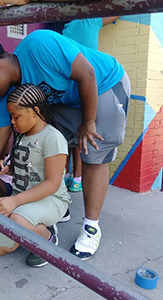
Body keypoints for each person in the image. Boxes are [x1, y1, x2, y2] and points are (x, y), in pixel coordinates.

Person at [0, 29, 130, 260]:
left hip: (102, 84)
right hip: (67, 101)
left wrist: (89, 122)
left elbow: (87, 74)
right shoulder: (7, 98)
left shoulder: (39, 45)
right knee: (45, 143)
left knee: (92, 151)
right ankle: (56, 206)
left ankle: (91, 227)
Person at [0, 83, 70, 267]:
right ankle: (31, 225)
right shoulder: (21, 136)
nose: (12, 122)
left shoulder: (52, 138)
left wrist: (14, 202)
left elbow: (52, 184)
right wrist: (6, 168)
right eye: (11, 116)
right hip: (25, 199)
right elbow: (24, 166)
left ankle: (47, 239)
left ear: (34, 111)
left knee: (17, 219)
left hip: (51, 199)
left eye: (16, 116)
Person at [61, 16, 120, 195]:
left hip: (80, 85)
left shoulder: (83, 22)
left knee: (73, 138)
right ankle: (74, 177)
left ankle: (72, 176)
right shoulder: (88, 21)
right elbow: (116, 11)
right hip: (83, 85)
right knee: (77, 138)